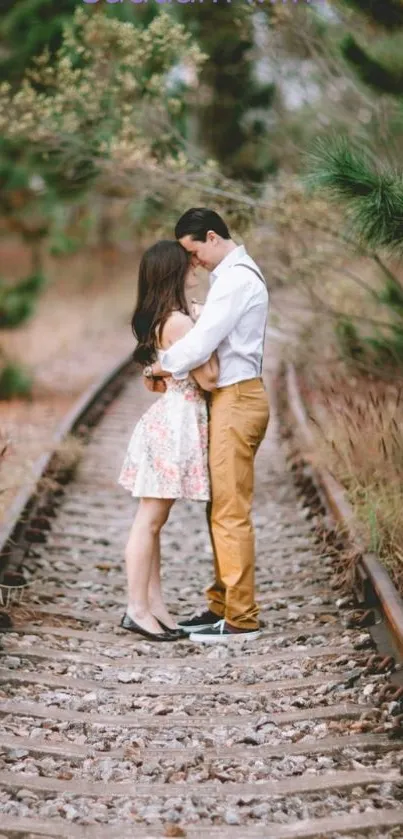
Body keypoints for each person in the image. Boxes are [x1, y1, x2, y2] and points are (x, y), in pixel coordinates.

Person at [147, 208, 270, 644]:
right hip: (231, 400)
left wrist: (163, 365)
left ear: (212, 237)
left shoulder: (236, 279)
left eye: (192, 249)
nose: (192, 261)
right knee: (218, 505)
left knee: (229, 510)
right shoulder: (230, 278)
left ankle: (241, 618)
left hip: (237, 399)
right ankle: (222, 604)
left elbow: (201, 345)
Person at [118, 240, 219, 642]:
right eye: (187, 263)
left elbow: (158, 380)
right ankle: (136, 608)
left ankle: (154, 606)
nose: (194, 266)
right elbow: (209, 378)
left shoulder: (168, 317)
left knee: (154, 522)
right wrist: (205, 329)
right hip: (174, 424)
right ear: (173, 272)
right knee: (150, 520)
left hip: (170, 418)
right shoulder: (178, 321)